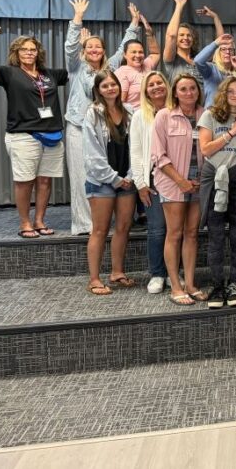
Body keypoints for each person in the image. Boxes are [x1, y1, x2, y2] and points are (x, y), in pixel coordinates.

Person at [0, 16, 68, 239]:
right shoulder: (10, 73)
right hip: (23, 135)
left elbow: (76, 68)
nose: (29, 53)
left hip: (52, 135)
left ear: (38, 53)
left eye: (33, 49)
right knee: (25, 180)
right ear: (16, 53)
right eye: (24, 50)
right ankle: (25, 222)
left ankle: (39, 220)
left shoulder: (50, 74)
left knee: (45, 180)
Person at [65, 0, 141, 235]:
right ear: (84, 51)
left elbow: (123, 48)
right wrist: (77, 19)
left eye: (98, 46)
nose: (94, 49)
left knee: (103, 174)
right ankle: (85, 224)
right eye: (90, 47)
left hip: (104, 128)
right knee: (81, 175)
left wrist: (134, 24)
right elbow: (70, 46)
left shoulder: (109, 68)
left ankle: (102, 221)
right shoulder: (75, 67)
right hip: (78, 127)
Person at [152, 73, 207, 306]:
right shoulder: (164, 116)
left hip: (199, 183)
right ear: (175, 92)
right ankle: (175, 286)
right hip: (172, 183)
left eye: (192, 88)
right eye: (183, 89)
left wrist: (199, 180)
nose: (188, 93)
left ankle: (191, 283)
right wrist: (181, 181)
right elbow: (158, 156)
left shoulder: (206, 115)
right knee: (174, 233)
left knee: (192, 234)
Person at [82, 70, 137, 295]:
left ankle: (117, 273)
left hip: (128, 178)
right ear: (98, 90)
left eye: (113, 84)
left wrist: (131, 176)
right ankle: (94, 279)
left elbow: (137, 147)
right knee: (100, 230)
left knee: (123, 227)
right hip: (102, 180)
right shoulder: (93, 113)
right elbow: (92, 154)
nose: (110, 89)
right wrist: (113, 179)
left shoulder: (130, 111)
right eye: (104, 86)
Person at [199, 77, 236, 309]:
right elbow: (205, 149)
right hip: (214, 179)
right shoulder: (209, 115)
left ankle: (234, 283)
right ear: (223, 92)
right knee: (217, 237)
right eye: (231, 90)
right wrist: (231, 133)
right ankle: (218, 285)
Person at [129, 70, 170, 294]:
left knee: (176, 230)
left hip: (175, 179)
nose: (156, 87)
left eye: (159, 82)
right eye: (151, 84)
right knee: (156, 229)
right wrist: (140, 183)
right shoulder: (139, 116)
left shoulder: (176, 111)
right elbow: (135, 152)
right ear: (146, 90)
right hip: (151, 180)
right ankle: (157, 273)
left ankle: (173, 272)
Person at [194, 6, 236, 106]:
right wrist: (216, 43)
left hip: (233, 115)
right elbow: (198, 61)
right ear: (218, 52)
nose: (227, 52)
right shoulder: (211, 69)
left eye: (231, 49)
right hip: (213, 116)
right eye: (223, 49)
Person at [115, 2, 160, 107]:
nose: (138, 55)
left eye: (140, 52)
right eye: (133, 52)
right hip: (133, 118)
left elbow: (155, 53)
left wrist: (149, 33)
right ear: (125, 55)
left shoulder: (146, 64)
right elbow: (120, 103)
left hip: (151, 115)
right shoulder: (122, 72)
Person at [161, 0, 205, 83]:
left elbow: (219, 46)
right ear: (176, 39)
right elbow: (171, 36)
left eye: (189, 35)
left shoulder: (199, 59)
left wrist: (215, 17)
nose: (186, 38)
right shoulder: (171, 59)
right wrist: (179, 7)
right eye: (181, 35)